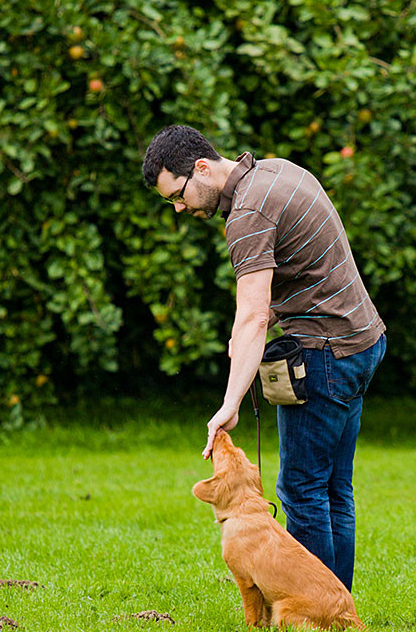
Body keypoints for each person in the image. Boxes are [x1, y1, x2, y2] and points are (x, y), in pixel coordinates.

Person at [142, 125, 386, 590]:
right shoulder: (278, 172)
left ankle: (318, 608)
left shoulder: (248, 214)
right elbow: (306, 271)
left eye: (177, 194)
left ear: (202, 168)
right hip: (363, 340)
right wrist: (261, 325)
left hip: (326, 354)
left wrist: (230, 404)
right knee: (334, 487)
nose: (178, 208)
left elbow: (252, 315)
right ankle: (337, 605)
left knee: (301, 490)